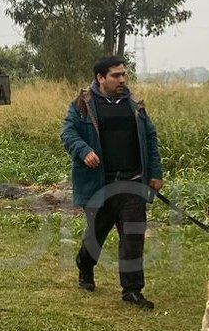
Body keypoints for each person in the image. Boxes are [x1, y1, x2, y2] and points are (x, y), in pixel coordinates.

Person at [60, 56, 164, 309]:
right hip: (100, 184)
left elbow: (150, 138)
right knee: (96, 234)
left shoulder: (135, 105)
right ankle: (85, 266)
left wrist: (156, 172)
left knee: (133, 236)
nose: (122, 80)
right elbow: (68, 133)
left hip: (133, 182)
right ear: (100, 78)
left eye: (124, 75)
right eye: (116, 75)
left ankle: (131, 289)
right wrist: (83, 151)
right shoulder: (83, 105)